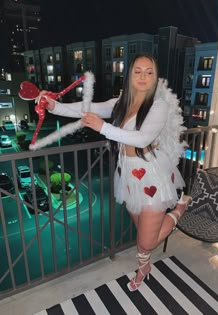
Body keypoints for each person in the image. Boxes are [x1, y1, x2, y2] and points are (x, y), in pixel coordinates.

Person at [38, 53, 192, 291]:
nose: (143, 76)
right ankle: (145, 265)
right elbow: (87, 108)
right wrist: (54, 106)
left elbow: (143, 139)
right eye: (137, 71)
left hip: (152, 175)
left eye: (149, 72)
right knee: (141, 231)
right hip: (130, 178)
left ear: (155, 77)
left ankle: (179, 208)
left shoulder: (158, 106)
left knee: (146, 240)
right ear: (129, 75)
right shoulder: (121, 102)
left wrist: (103, 128)